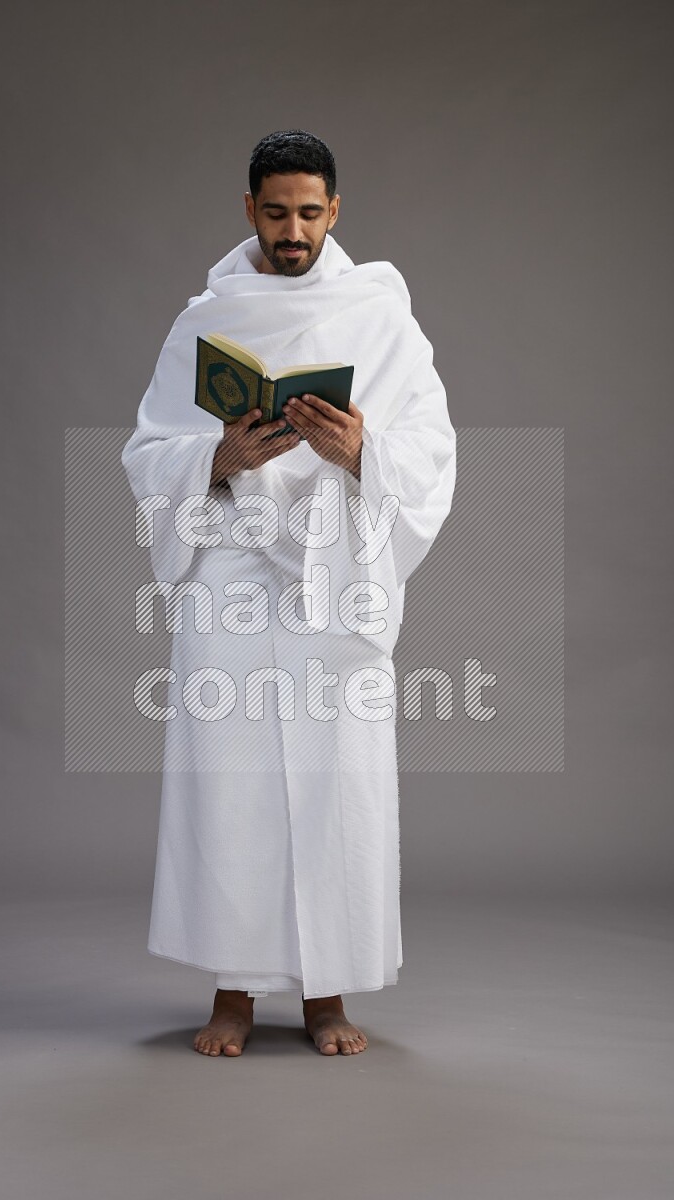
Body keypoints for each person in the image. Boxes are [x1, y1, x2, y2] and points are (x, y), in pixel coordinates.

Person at [121, 129, 456, 1057]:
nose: (293, 230)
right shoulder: (206, 319)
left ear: (335, 210)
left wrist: (361, 454)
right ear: (249, 210)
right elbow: (149, 451)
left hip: (333, 574)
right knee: (230, 784)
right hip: (229, 572)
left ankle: (325, 996)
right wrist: (217, 459)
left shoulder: (379, 315)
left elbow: (430, 450)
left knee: (335, 780)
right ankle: (233, 993)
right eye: (277, 213)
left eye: (310, 212)